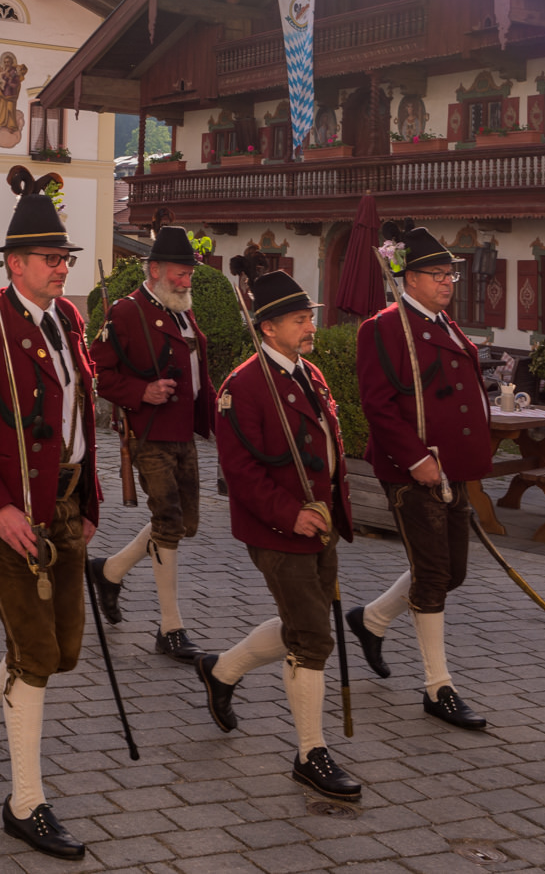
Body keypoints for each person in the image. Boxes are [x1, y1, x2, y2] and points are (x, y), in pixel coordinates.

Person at [0, 174, 100, 861]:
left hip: (65, 501)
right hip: (10, 508)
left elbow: (82, 416)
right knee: (34, 653)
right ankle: (26, 803)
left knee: (62, 649)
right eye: (51, 259)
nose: (62, 268)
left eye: (65, 258)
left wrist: (88, 501)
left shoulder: (68, 321)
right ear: (15, 263)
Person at [195, 269, 360, 800]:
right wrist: (291, 515)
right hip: (279, 528)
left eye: (309, 317)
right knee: (312, 637)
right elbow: (240, 472)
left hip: (322, 522)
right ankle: (311, 754)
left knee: (302, 622)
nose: (310, 327)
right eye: (298, 320)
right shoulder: (242, 387)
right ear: (267, 328)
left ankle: (221, 671)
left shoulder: (310, 373)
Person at [345, 226, 491, 732]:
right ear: (409, 278)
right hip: (415, 470)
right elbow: (378, 406)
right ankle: (438, 688)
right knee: (433, 575)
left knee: (452, 572)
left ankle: (370, 620)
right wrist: (413, 460)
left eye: (451, 274)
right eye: (437, 274)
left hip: (452, 467)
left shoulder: (444, 322)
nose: (447, 281)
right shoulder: (384, 328)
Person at [90, 225, 215, 662]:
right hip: (149, 432)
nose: (186, 281)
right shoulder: (128, 312)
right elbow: (99, 372)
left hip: (184, 430)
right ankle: (170, 627)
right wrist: (141, 392)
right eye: (180, 274)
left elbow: (197, 372)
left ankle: (109, 571)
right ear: (156, 269)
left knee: (182, 524)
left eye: (189, 274)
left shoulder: (182, 310)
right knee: (168, 522)